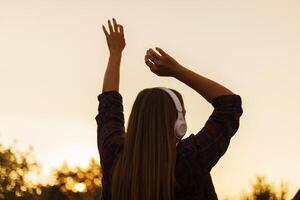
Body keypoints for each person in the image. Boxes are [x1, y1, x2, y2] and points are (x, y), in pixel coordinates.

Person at [96, 18, 243, 200]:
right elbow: (229, 105)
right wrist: (177, 71)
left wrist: (115, 53)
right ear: (178, 124)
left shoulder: (114, 155)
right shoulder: (189, 160)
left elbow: (108, 108)